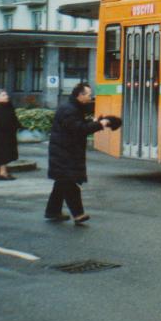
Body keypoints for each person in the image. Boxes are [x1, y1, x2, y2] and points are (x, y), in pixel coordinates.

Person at [45, 83, 111, 224]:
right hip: (64, 153)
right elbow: (79, 129)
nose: (90, 97)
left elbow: (77, 125)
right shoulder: (70, 110)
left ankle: (52, 211)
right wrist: (100, 124)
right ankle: (78, 215)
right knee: (69, 183)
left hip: (64, 151)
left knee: (61, 183)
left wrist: (92, 122)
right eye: (88, 94)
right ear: (80, 95)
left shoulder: (72, 108)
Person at [0, 89, 22, 181]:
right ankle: (3, 172)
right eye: (3, 95)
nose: (6, 96)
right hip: (2, 134)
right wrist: (15, 126)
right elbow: (6, 121)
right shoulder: (1, 107)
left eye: (6, 94)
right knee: (3, 152)